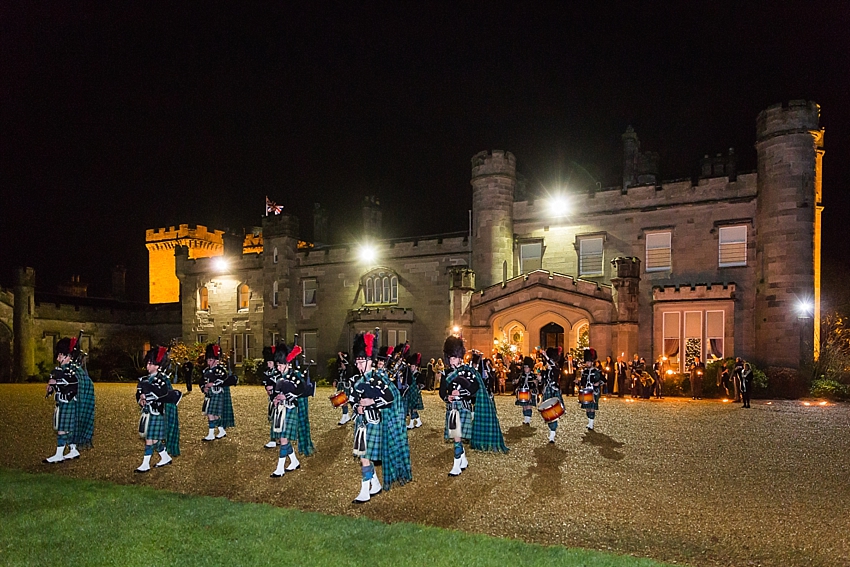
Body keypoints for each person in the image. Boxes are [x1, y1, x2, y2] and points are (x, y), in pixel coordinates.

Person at [349, 332, 411, 503]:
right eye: (358, 361)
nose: (359, 365)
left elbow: (390, 398)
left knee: (364, 456)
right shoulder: (356, 381)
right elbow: (353, 400)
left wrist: (371, 401)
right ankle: (374, 484)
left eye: (362, 361)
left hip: (375, 423)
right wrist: (358, 407)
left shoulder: (379, 378)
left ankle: (364, 490)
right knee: (364, 456)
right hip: (362, 424)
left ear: (370, 361)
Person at [441, 335, 508, 477]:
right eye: (450, 357)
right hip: (452, 408)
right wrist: (448, 396)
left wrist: (460, 391)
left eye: (454, 357)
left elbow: (474, 389)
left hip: (464, 407)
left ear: (459, 357)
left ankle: (456, 465)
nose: (451, 360)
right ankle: (463, 459)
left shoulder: (468, 371)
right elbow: (442, 391)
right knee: (455, 435)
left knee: (457, 436)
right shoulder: (446, 373)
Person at [43, 336, 96, 463]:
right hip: (65, 401)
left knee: (63, 427)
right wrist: (52, 386)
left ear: (67, 355)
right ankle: (73, 450)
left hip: (70, 402)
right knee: (71, 426)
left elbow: (71, 383)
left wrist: (56, 382)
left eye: (60, 355)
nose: (57, 358)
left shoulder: (73, 370)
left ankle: (59, 454)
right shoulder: (67, 369)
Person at [135, 346, 181, 473]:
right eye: (148, 363)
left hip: (157, 412)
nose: (147, 366)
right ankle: (165, 456)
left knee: (149, 439)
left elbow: (163, 393)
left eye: (150, 363)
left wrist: (149, 390)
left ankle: (145, 464)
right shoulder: (144, 380)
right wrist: (141, 399)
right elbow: (138, 394)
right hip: (147, 412)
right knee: (153, 439)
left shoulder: (162, 379)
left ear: (157, 365)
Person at [269, 341, 304, 477]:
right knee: (283, 438)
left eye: (281, 364)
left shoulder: (294, 376)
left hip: (290, 408)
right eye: (277, 364)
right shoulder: (278, 376)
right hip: (280, 410)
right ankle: (294, 461)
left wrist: (287, 396)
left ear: (288, 363)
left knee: (283, 438)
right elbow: (274, 393)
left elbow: (302, 389)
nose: (278, 367)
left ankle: (280, 468)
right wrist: (276, 398)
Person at [200, 343, 236, 441]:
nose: (208, 362)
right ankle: (221, 430)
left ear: (216, 360)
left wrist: (212, 384)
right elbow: (202, 381)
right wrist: (204, 388)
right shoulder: (206, 370)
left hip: (218, 393)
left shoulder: (221, 370)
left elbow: (223, 380)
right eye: (208, 359)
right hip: (210, 394)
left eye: (211, 360)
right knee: (214, 415)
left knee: (210, 413)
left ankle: (211, 434)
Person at [541, 347, 565, 443]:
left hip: (553, 391)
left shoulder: (556, 366)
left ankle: (552, 434)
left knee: (553, 412)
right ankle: (552, 432)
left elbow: (550, 362)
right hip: (547, 390)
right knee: (548, 412)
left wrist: (545, 355)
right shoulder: (549, 368)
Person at [578, 348, 605, 430]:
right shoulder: (585, 371)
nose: (587, 363)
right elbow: (582, 382)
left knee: (592, 407)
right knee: (587, 408)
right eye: (586, 362)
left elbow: (604, 380)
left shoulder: (597, 371)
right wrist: (578, 382)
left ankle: (591, 424)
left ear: (592, 362)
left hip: (594, 391)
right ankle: (589, 422)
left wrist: (598, 383)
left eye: (588, 362)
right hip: (586, 391)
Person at [261, 346, 280, 448]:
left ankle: (274, 439)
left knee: (277, 418)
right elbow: (265, 382)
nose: (268, 365)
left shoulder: (278, 372)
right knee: (273, 418)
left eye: (270, 363)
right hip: (272, 398)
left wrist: (272, 388)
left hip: (279, 398)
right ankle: (275, 439)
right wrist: (267, 389)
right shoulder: (267, 372)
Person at [513, 356, 539, 425]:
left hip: (530, 392)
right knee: (524, 406)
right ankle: (525, 420)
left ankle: (528, 421)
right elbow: (516, 382)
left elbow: (538, 384)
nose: (525, 369)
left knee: (528, 406)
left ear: (530, 368)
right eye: (524, 367)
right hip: (523, 391)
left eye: (527, 368)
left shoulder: (533, 375)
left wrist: (536, 382)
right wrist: (516, 381)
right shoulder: (521, 375)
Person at [402, 352, 425, 429]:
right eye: (411, 366)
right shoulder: (410, 374)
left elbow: (422, 384)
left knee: (413, 408)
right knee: (411, 408)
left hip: (415, 393)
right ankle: (418, 422)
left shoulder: (418, 374)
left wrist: (419, 387)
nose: (411, 367)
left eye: (413, 366)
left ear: (416, 367)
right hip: (410, 393)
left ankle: (411, 423)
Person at [333, 352, 355, 425]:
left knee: (346, 402)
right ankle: (346, 416)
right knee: (342, 402)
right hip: (341, 386)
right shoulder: (341, 370)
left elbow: (346, 364)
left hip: (347, 386)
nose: (341, 365)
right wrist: (335, 381)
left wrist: (340, 356)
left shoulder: (349, 368)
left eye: (342, 364)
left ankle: (347, 416)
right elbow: (337, 376)